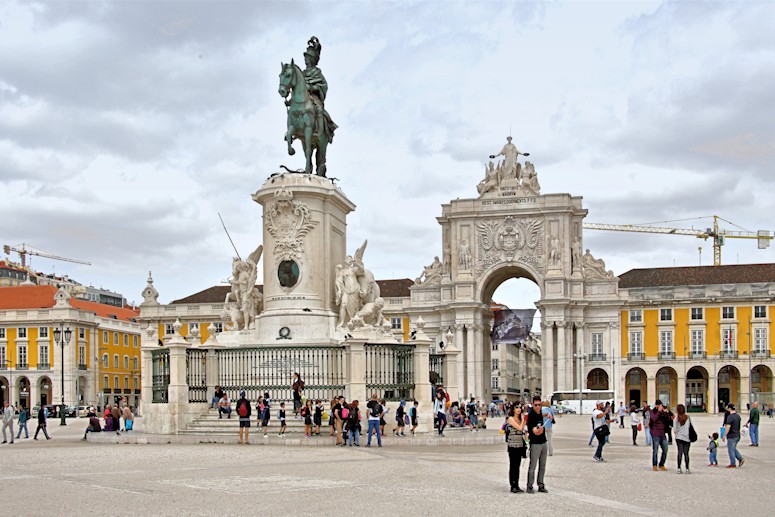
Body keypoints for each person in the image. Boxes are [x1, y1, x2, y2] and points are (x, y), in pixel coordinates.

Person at [526, 396, 548, 493]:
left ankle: (541, 484)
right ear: (533, 404)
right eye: (536, 405)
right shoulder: (531, 416)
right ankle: (530, 485)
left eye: (539, 405)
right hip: (535, 443)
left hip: (543, 442)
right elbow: (534, 431)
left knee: (542, 465)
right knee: (533, 466)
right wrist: (539, 430)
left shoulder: (540, 414)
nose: (538, 407)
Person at [506, 403, 527, 493]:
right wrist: (523, 419)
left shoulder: (520, 419)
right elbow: (520, 428)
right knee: (513, 465)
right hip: (512, 444)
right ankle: (512, 485)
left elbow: (523, 430)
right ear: (513, 409)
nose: (519, 409)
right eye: (517, 407)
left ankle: (517, 485)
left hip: (520, 444)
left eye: (520, 407)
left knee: (518, 466)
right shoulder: (511, 419)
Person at [649, 400, 671, 471]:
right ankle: (654, 465)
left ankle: (661, 464)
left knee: (665, 449)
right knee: (655, 450)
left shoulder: (662, 412)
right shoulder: (652, 412)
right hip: (655, 433)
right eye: (659, 405)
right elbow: (654, 418)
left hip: (662, 433)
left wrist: (666, 413)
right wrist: (658, 411)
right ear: (656, 406)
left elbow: (669, 420)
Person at [722, 403, 744, 468]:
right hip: (737, 435)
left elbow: (728, 427)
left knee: (730, 449)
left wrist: (724, 435)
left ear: (729, 408)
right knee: (733, 448)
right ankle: (740, 459)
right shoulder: (738, 416)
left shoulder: (730, 417)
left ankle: (733, 463)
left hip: (732, 435)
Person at [673, 404, 692, 474]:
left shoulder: (676, 419)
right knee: (686, 453)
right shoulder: (688, 418)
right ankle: (687, 468)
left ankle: (678, 468)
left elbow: (675, 430)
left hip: (679, 437)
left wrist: (677, 433)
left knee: (680, 452)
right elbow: (690, 427)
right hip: (687, 438)